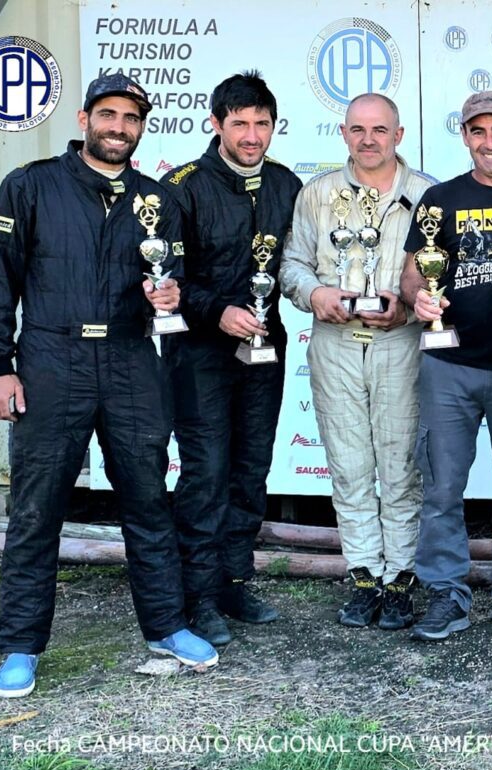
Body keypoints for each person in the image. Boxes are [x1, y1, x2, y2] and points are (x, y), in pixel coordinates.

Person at [0, 74, 218, 698]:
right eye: (108, 114)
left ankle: (167, 626)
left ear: (141, 127)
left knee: (147, 499)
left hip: (131, 357)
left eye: (131, 118)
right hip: (51, 358)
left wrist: (169, 296)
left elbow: (172, 279)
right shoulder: (30, 185)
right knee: (36, 508)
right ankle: (20, 646)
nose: (119, 127)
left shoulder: (158, 198)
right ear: (85, 119)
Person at [280, 93, 435, 630]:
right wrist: (314, 293)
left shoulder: (428, 195)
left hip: (401, 343)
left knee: (400, 466)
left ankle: (401, 580)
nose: (369, 140)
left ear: (398, 135)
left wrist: (409, 307)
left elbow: (445, 275)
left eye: (380, 130)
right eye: (358, 130)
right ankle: (365, 576)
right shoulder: (317, 193)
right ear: (344, 134)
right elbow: (291, 264)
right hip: (335, 342)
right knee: (348, 467)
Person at [162, 71, 303, 646]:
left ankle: (233, 581)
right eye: (239, 123)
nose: (251, 135)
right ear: (216, 124)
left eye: (261, 123)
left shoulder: (286, 184)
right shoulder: (182, 187)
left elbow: (300, 266)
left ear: (274, 126)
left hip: (265, 349)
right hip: (200, 353)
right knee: (206, 472)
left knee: (251, 468)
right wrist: (216, 311)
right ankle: (195, 595)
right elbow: (165, 279)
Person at [399, 91, 492, 640]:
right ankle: (445, 592)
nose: (490, 142)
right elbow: (413, 275)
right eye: (478, 131)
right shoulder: (440, 198)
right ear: (464, 137)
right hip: (448, 364)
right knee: (441, 486)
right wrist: (418, 297)